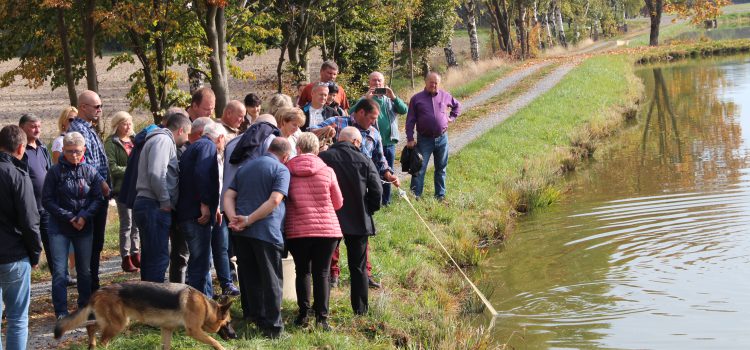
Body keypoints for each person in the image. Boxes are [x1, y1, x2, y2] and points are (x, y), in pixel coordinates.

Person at [310, 99, 399, 289]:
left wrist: (389, 174)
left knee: (360, 233)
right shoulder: (338, 121)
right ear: (360, 113)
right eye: (371, 118)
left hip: (360, 186)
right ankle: (333, 274)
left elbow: (380, 159)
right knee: (333, 233)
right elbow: (308, 133)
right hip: (335, 183)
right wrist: (326, 131)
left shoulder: (374, 133)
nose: (373, 123)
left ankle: (364, 274)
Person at [224, 137, 291, 339]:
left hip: (242, 234)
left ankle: (253, 316)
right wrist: (248, 220)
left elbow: (228, 195)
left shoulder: (246, 167)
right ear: (285, 156)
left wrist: (233, 219)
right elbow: (275, 200)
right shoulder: (281, 170)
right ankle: (273, 328)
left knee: (249, 276)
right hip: (266, 232)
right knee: (271, 279)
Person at [319, 127, 382, 315]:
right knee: (359, 267)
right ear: (355, 142)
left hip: (330, 218)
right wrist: (369, 209)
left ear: (340, 139)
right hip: (359, 219)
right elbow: (377, 191)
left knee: (323, 268)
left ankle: (322, 311)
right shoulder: (364, 159)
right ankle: (360, 310)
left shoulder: (324, 157)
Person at [43, 132, 104, 319]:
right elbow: (47, 200)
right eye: (69, 152)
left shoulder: (91, 171)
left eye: (77, 151)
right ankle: (61, 311)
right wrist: (69, 217)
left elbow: (97, 198)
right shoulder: (55, 172)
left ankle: (84, 307)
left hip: (84, 227)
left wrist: (84, 216)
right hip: (60, 228)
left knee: (84, 271)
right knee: (60, 271)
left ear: (84, 150)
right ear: (63, 151)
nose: (74, 155)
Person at [284, 133, 343, 330]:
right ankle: (322, 318)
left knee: (302, 272)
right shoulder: (328, 171)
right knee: (322, 273)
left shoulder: (287, 171)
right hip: (327, 230)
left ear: (297, 149)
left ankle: (303, 314)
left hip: (298, 229)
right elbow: (338, 202)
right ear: (317, 150)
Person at [133, 113, 191, 283]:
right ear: (180, 130)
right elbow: (156, 173)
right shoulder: (163, 141)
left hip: (149, 204)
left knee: (151, 259)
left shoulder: (157, 139)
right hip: (154, 205)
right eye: (187, 134)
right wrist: (165, 201)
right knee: (158, 260)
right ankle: (154, 304)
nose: (187, 140)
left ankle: (145, 303)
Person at [0, 125, 42, 350]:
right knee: (17, 318)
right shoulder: (17, 174)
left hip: (11, 253)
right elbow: (29, 219)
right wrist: (35, 253)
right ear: (20, 148)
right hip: (14, 254)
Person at [176, 122, 225, 297]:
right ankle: (200, 309)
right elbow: (203, 173)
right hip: (196, 214)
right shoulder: (207, 146)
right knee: (201, 263)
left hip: (188, 212)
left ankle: (207, 303)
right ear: (219, 138)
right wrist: (205, 203)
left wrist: (214, 206)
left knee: (202, 261)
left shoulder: (195, 146)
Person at [68, 90, 111, 292]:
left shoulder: (89, 128)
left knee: (96, 246)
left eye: (100, 106)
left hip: (98, 198)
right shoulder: (78, 130)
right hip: (88, 199)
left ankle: (93, 287)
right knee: (90, 248)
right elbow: (86, 164)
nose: (100, 110)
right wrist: (102, 183)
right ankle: (90, 292)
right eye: (96, 106)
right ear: (83, 107)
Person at [350, 71, 408, 205]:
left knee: (387, 171)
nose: (377, 83)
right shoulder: (365, 100)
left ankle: (386, 201)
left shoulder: (390, 100)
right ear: (369, 82)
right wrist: (365, 98)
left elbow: (404, 110)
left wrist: (393, 96)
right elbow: (351, 113)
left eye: (379, 81)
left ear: (384, 83)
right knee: (371, 173)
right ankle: (374, 199)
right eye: (374, 81)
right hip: (370, 143)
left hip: (389, 143)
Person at [405, 72, 461, 201]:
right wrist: (410, 138)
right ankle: (415, 196)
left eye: (436, 82)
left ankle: (440, 196)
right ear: (425, 82)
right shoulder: (416, 99)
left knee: (441, 168)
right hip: (424, 140)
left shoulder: (445, 96)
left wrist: (451, 118)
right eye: (431, 82)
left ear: (439, 83)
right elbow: (410, 120)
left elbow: (457, 106)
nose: (433, 84)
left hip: (442, 138)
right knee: (419, 168)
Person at [104, 111, 140, 273]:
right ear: (117, 125)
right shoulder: (111, 143)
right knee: (127, 223)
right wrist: (133, 170)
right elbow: (112, 168)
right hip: (122, 189)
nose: (127, 127)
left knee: (137, 224)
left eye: (129, 123)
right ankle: (125, 258)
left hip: (137, 187)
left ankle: (136, 253)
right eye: (124, 123)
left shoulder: (135, 140)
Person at [19, 114, 53, 277]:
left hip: (45, 205)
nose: (37, 129)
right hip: (28, 207)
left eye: (39, 126)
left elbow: (49, 171)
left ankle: (59, 276)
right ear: (22, 128)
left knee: (51, 243)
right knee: (29, 244)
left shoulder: (42, 147)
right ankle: (27, 276)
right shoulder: (19, 150)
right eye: (33, 126)